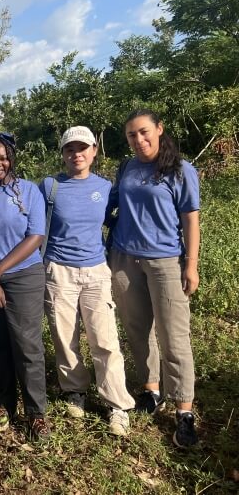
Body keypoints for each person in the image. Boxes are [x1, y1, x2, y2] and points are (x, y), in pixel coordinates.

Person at [108, 109, 201, 448]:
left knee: (174, 335)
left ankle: (184, 410)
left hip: (165, 262)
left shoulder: (180, 170)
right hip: (124, 259)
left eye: (144, 132)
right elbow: (113, 204)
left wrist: (190, 265)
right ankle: (151, 388)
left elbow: (191, 219)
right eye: (132, 135)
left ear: (159, 130)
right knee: (137, 328)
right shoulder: (127, 168)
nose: (139, 140)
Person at [39, 126, 135, 436]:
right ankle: (74, 390)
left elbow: (117, 219)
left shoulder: (106, 188)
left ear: (94, 151)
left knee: (104, 338)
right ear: (63, 153)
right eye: (70, 149)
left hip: (95, 271)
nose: (76, 154)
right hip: (59, 270)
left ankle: (116, 403)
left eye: (83, 148)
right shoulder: (50, 186)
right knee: (64, 337)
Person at [0, 132, 51, 441]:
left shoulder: (29, 191)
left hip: (24, 274)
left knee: (27, 345)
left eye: (3, 158)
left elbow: (35, 236)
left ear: (12, 159)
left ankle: (36, 413)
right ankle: (5, 404)